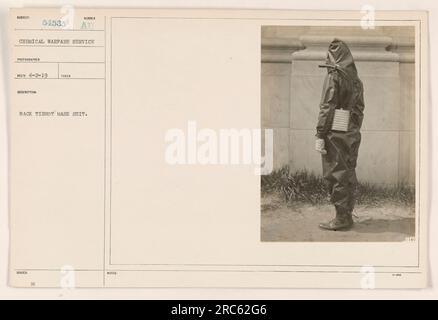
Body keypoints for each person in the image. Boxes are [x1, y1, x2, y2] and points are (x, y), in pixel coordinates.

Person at [315, 39, 365, 231]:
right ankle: (347, 215)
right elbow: (360, 109)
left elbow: (327, 106)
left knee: (335, 173)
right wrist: (352, 129)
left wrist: (320, 134)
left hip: (335, 133)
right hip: (351, 132)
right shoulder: (356, 79)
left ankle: (341, 218)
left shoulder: (334, 76)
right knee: (348, 171)